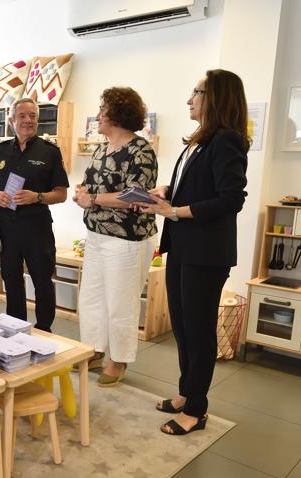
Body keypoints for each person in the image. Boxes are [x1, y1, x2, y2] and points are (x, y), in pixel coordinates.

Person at [139, 69, 248, 435]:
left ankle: (197, 410)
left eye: (196, 92)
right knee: (183, 327)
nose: (189, 99)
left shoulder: (228, 140)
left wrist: (174, 211)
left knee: (199, 332)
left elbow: (231, 199)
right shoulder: (199, 140)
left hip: (207, 252)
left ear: (215, 97)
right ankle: (188, 393)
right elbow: (198, 187)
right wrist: (167, 192)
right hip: (183, 246)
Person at [73, 87, 158, 387]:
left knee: (121, 302)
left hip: (127, 238)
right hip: (96, 234)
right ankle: (94, 350)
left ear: (117, 114)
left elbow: (136, 196)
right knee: (92, 297)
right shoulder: (101, 148)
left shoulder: (140, 150)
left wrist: (93, 199)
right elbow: (88, 184)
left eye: (103, 109)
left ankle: (118, 360)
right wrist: (81, 193)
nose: (98, 115)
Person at [0, 98, 68, 331]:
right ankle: (15, 327)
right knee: (11, 279)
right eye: (22, 116)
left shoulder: (50, 152)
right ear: (11, 121)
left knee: (42, 280)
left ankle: (44, 329)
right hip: (7, 227)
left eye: (33, 116)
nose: (28, 120)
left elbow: (61, 194)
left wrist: (36, 197)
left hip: (37, 227)